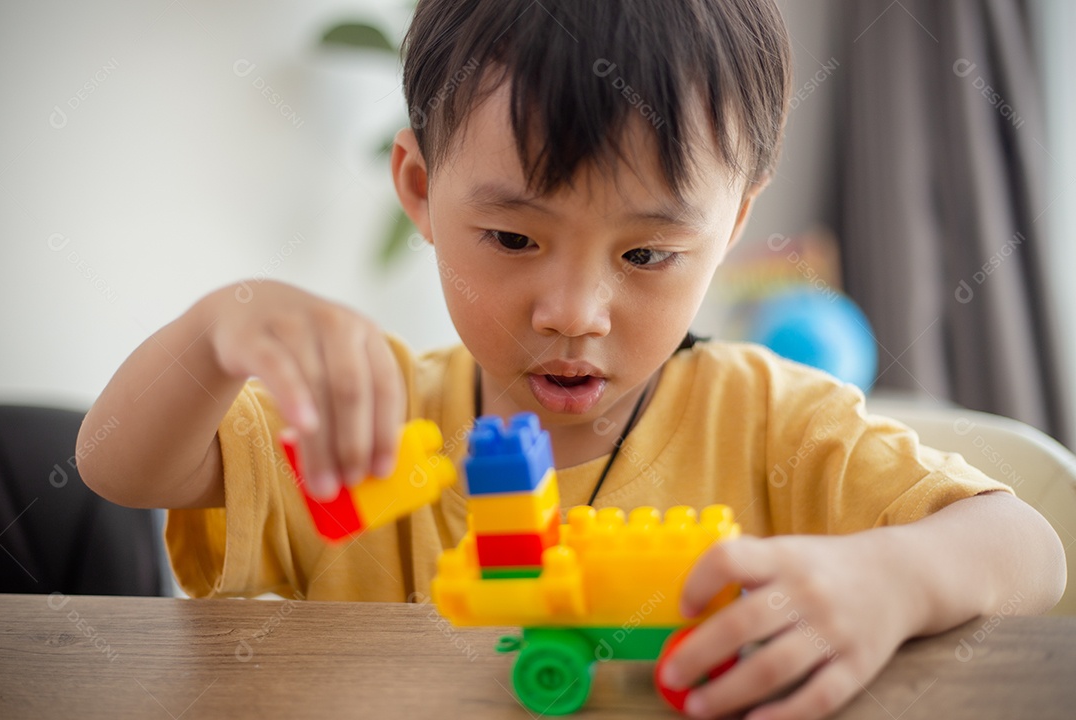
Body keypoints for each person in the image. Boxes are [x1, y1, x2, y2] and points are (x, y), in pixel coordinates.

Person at [77, 1, 1066, 718]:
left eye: (647, 255)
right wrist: (217, 332)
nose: (575, 313)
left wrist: (891, 582)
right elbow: (117, 465)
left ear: (732, 226)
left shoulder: (776, 423)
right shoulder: (366, 427)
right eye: (512, 240)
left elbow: (1029, 548)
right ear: (419, 188)